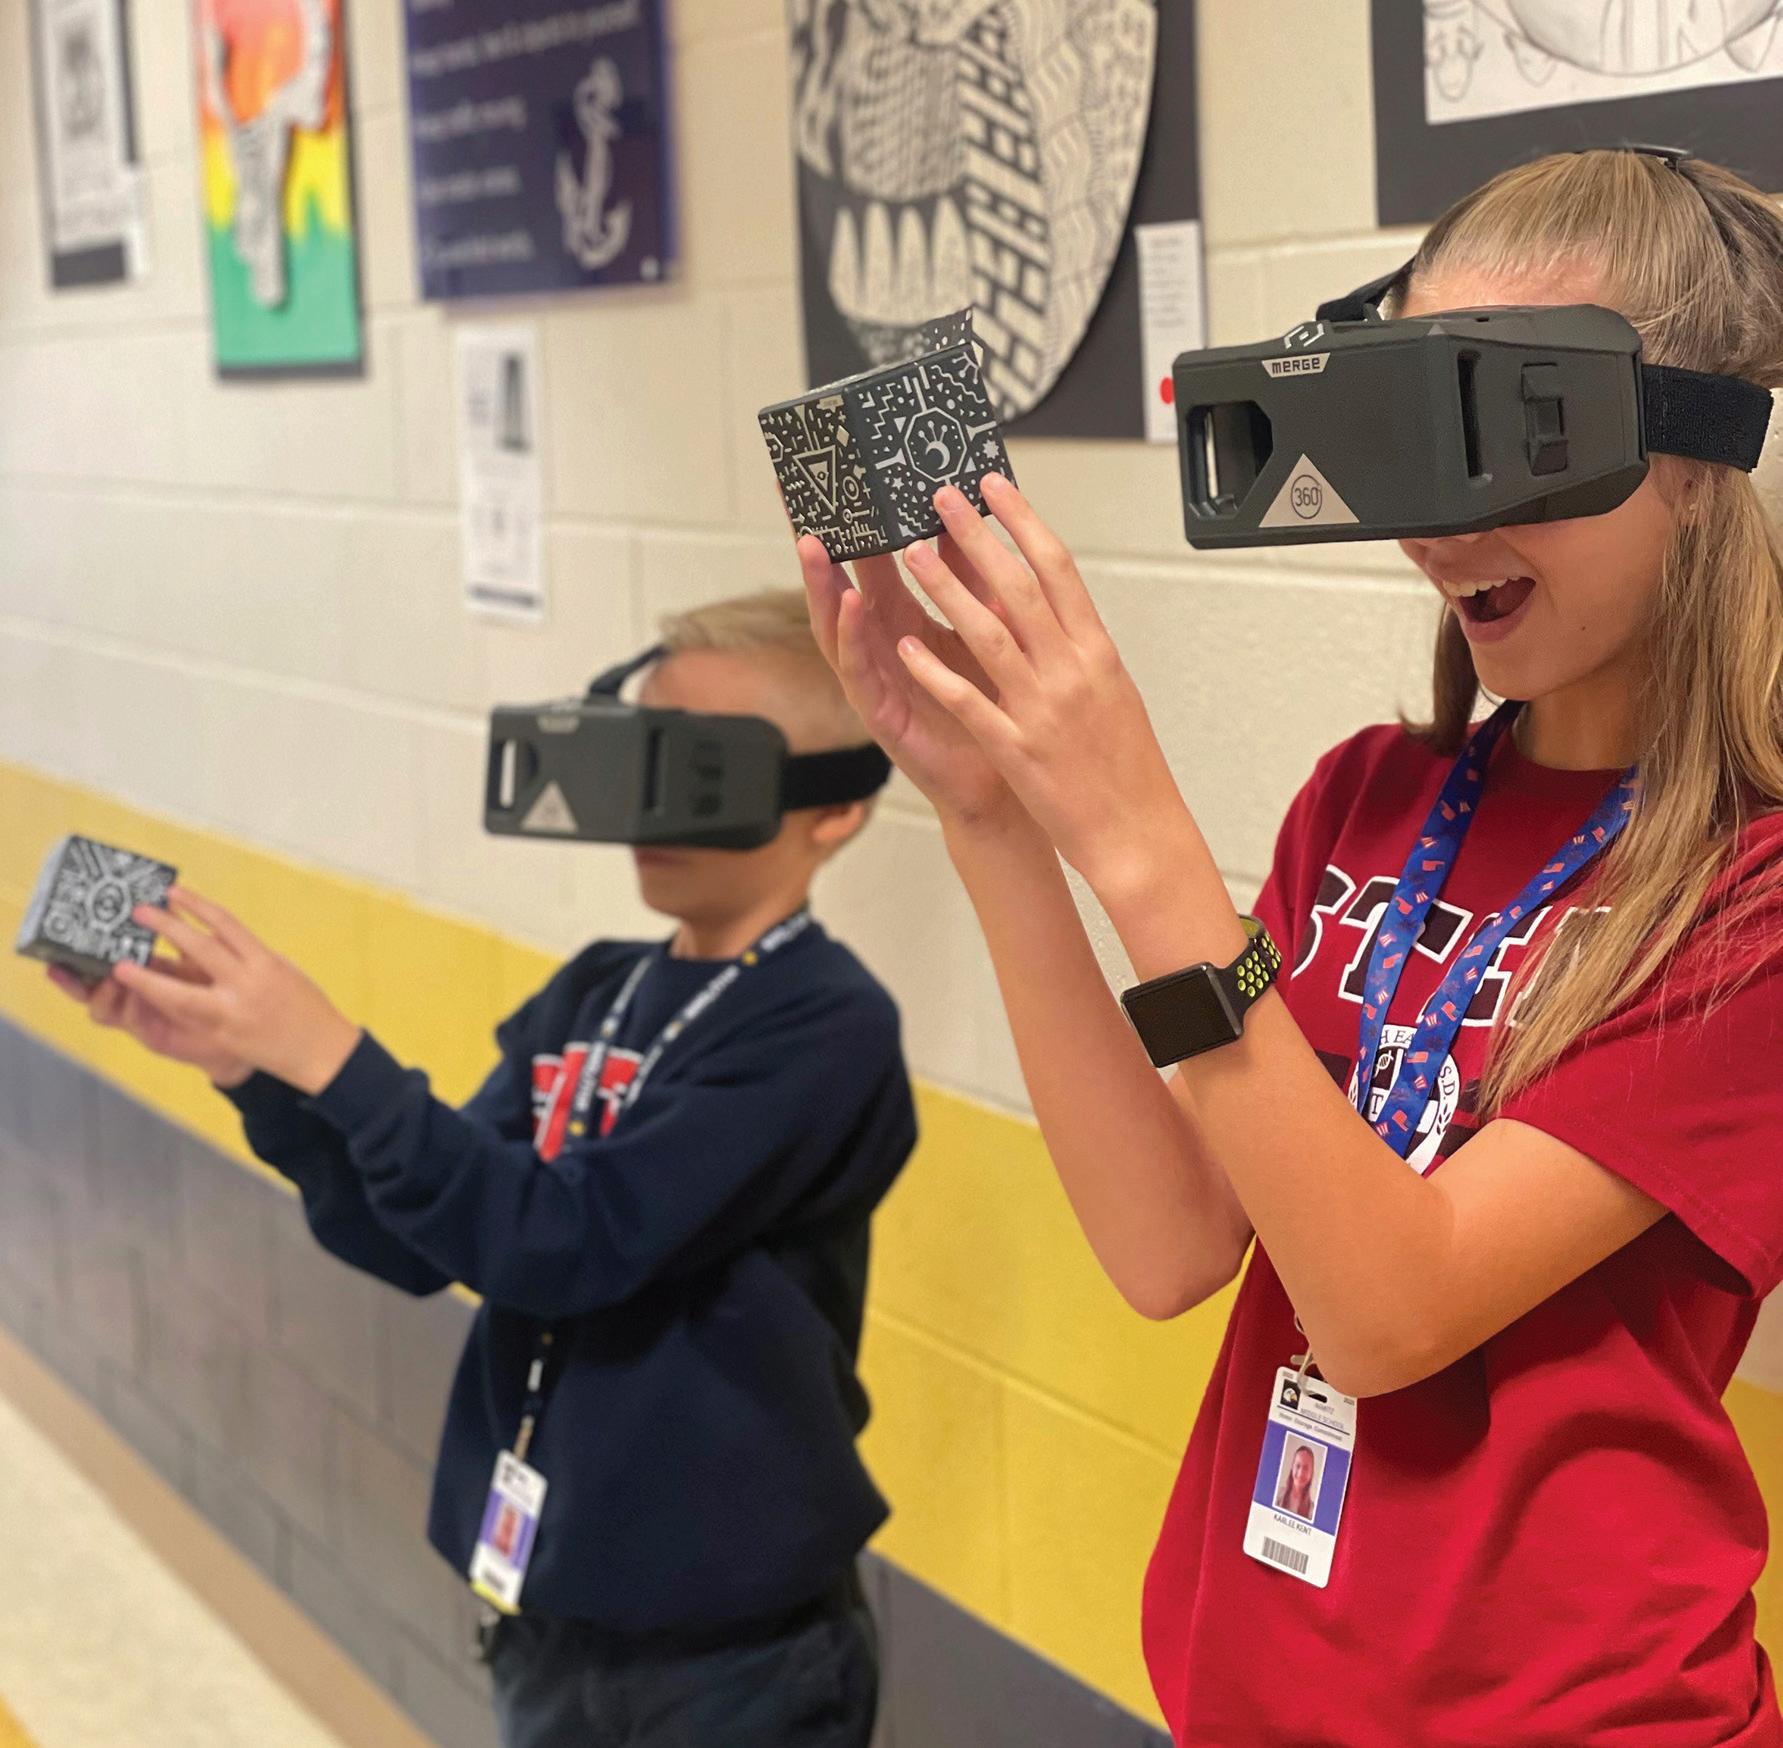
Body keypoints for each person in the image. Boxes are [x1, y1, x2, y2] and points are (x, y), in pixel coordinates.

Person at [797, 149, 1783, 1745]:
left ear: (1685, 452)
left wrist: (1135, 833)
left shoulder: (1748, 894)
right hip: (1256, 1692)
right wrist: (993, 817)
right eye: (1406, 445)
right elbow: (1171, 1244)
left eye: (1500, 438)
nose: (1442, 528)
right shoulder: (1371, 798)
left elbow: (1388, 1312)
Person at [51, 590, 917, 1748]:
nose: (649, 804)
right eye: (639, 755)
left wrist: (333, 1053)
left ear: (837, 808)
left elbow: (568, 1240)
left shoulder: (825, 1027)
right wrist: (258, 1072)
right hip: (548, 1611)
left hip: (729, 1652)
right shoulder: (595, 989)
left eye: (702, 770)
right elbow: (429, 1238)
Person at [1274, 1446, 1316, 1521]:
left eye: (1306, 1468)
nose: (1300, 1473)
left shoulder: (1312, 1511)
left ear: (1311, 1473)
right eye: (1298, 1466)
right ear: (1292, 1467)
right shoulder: (1277, 1495)